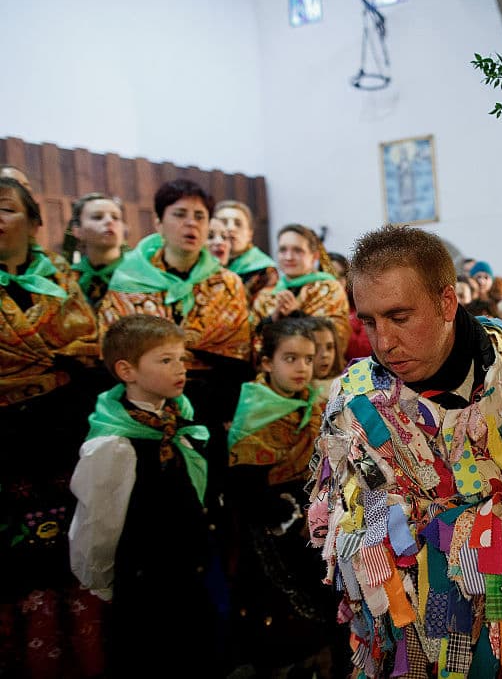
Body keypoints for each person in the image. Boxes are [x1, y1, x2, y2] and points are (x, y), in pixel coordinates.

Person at [309, 225, 502, 679]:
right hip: (409, 645)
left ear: (447, 302)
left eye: (399, 316)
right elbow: (346, 530)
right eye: (368, 321)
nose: (383, 342)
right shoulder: (350, 400)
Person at [68, 315, 228, 678]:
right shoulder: (114, 445)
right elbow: (97, 525)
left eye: (182, 358)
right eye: (165, 360)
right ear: (127, 370)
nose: (180, 369)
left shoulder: (182, 419)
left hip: (190, 569)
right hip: (147, 581)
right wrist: (103, 582)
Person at [0, 177, 105, 678]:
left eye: (5, 209)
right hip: (3, 447)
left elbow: (88, 354)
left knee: (70, 559)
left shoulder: (61, 280)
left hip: (61, 437)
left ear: (35, 223)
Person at [97, 179, 254, 502]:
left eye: (199, 216)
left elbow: (237, 356)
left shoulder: (227, 284)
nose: (191, 223)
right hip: (141, 409)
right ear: (158, 222)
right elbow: (115, 350)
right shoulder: (130, 280)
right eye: (180, 214)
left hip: (207, 407)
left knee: (208, 506)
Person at [227, 318, 336, 677]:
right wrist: (290, 517)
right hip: (270, 533)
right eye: (290, 358)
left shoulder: (313, 405)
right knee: (278, 634)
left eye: (308, 358)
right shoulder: (254, 411)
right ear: (265, 362)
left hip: (315, 526)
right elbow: (245, 486)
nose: (302, 367)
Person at [252, 223, 351, 356]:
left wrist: (296, 314)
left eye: (297, 250)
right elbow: (254, 345)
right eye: (283, 250)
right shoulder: (267, 295)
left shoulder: (329, 289)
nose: (288, 257)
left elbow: (338, 337)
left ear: (314, 256)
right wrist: (272, 320)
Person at [66, 192, 128, 307]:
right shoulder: (67, 278)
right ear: (77, 231)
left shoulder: (140, 272)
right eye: (97, 217)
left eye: (116, 217)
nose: (109, 221)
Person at [215, 199, 278, 300]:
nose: (230, 228)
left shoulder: (264, 270)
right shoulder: (200, 266)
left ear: (249, 234)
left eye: (238, 223)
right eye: (223, 222)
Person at [306, 315, 344, 401]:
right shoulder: (296, 392)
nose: (325, 355)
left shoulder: (348, 386)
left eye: (329, 347)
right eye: (315, 348)